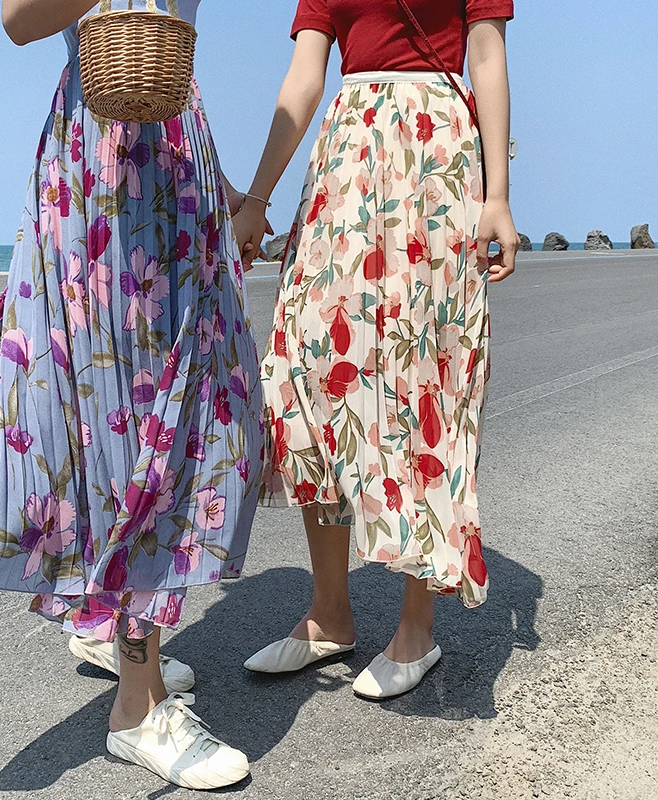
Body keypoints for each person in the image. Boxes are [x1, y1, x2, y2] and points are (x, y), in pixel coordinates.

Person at [0, 0, 265, 789]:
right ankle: (138, 708)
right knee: (128, 411)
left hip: (178, 150)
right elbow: (19, 19)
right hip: (97, 159)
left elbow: (170, 63)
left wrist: (225, 188)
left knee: (196, 405)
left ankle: (107, 614)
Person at [235, 0, 518, 699]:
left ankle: (418, 625)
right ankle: (330, 613)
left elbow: (486, 56)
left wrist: (499, 196)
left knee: (426, 374)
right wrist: (258, 198)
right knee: (309, 367)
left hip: (435, 151)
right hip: (347, 157)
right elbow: (305, 77)